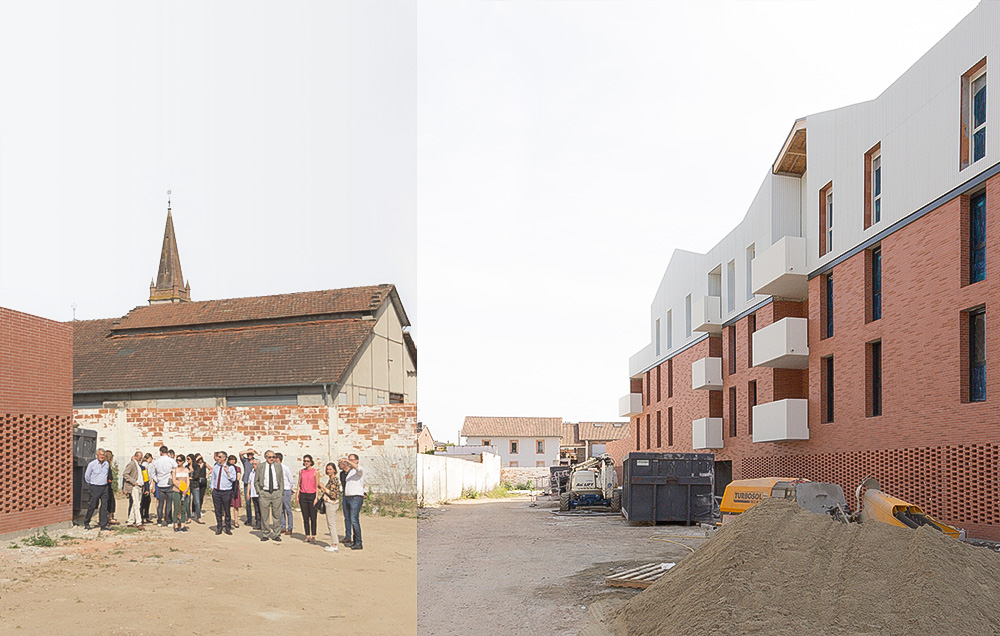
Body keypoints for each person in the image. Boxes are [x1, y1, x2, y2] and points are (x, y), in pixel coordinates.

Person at [254, 449, 284, 542]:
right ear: (265, 457)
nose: (272, 459)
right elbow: (256, 481)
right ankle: (265, 533)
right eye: (270, 457)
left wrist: (280, 492)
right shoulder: (261, 466)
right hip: (265, 493)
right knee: (264, 515)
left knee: (277, 515)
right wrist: (259, 492)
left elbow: (281, 480)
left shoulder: (278, 466)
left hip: (276, 493)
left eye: (273, 457)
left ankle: (276, 534)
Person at [210, 450, 238, 535]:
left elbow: (233, 479)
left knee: (227, 510)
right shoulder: (216, 466)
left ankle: (228, 527)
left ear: (224, 458)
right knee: (218, 510)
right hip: (217, 491)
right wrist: (212, 487)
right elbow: (213, 478)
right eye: (217, 457)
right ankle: (219, 527)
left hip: (226, 491)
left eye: (219, 457)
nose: (217, 458)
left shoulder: (231, 467)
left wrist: (227, 472)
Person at [316, 462, 341, 552]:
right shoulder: (331, 480)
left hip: (332, 504)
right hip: (329, 504)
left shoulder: (334, 480)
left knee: (331, 524)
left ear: (334, 470)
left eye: (330, 469)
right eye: (327, 469)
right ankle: (334, 543)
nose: (328, 471)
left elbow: (333, 494)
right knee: (330, 524)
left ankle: (334, 545)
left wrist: (323, 487)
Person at [83, 448, 111, 531]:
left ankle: (103, 525)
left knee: (104, 506)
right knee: (93, 505)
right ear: (97, 455)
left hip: (104, 487)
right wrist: (91, 485)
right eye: (100, 454)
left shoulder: (106, 464)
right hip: (95, 487)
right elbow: (87, 476)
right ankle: (87, 522)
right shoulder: (92, 464)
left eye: (103, 455)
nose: (102, 456)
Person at [343, 453, 364, 550]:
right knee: (351, 520)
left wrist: (347, 461)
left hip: (355, 497)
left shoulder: (359, 470)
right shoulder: (351, 472)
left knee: (354, 520)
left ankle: (359, 542)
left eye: (352, 460)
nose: (350, 461)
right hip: (348, 497)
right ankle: (355, 541)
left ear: (357, 460)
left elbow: (358, 468)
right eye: (349, 459)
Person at [149, 446, 175, 525]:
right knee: (169, 503)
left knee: (160, 503)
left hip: (160, 484)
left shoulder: (156, 461)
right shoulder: (171, 461)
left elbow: (152, 473)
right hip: (169, 483)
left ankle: (159, 520)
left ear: (160, 452)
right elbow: (176, 470)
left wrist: (157, 480)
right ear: (167, 452)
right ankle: (169, 521)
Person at [296, 455, 319, 543]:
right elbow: (299, 484)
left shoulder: (315, 472)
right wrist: (297, 496)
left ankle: (313, 535)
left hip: (312, 495)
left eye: (308, 461)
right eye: (305, 461)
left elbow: (317, 486)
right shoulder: (301, 471)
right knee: (305, 517)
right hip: (303, 495)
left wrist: (316, 498)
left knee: (313, 517)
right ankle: (307, 535)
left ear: (311, 462)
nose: (306, 463)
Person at [122, 451, 144, 529]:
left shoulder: (138, 465)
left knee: (136, 504)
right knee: (137, 505)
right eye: (139, 456)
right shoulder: (132, 464)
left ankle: (130, 521)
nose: (141, 458)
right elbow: (125, 474)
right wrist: (134, 482)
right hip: (134, 487)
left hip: (140, 487)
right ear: (135, 456)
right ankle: (138, 522)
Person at [171, 454, 191, 532]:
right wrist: (181, 488)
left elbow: (188, 480)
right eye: (177, 460)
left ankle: (182, 524)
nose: (178, 462)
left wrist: (186, 489)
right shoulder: (174, 469)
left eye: (180, 460)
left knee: (183, 507)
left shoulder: (186, 469)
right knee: (176, 507)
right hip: (176, 490)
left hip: (185, 490)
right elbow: (174, 481)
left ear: (183, 461)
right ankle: (175, 524)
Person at [276, 452, 294, 535]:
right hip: (278, 490)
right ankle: (282, 526)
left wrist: (289, 489)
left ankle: (290, 527)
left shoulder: (285, 468)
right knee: (281, 510)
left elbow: (291, 480)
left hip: (286, 489)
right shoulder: (274, 468)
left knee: (288, 509)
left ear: (278, 459)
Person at [239, 448, 258, 527]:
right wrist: (249, 451)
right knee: (248, 502)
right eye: (248, 454)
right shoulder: (245, 461)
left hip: (255, 483)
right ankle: (249, 519)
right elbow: (240, 453)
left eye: (250, 454)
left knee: (256, 502)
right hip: (247, 482)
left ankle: (258, 519)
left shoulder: (256, 461)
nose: (249, 455)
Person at [189, 456, 206, 523]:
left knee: (197, 501)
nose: (187, 460)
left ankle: (198, 517)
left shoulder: (197, 467)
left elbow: (196, 476)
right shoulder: (186, 466)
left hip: (195, 485)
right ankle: (189, 517)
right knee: (188, 502)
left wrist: (190, 476)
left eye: (188, 459)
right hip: (187, 485)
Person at [247, 457, 261, 530]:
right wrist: (248, 493)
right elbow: (249, 483)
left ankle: (262, 524)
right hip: (253, 494)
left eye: (255, 464)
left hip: (260, 494)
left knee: (261, 509)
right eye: (253, 464)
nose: (254, 465)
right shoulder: (251, 472)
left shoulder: (261, 473)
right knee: (256, 509)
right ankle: (257, 523)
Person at [228, 455, 242, 529]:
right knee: (227, 506)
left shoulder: (237, 468)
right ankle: (226, 521)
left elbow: (238, 478)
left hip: (235, 488)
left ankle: (236, 521)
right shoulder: (227, 467)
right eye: (230, 460)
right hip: (228, 488)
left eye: (233, 460)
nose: (232, 461)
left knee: (236, 506)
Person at [104, 449, 117, 525]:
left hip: (108, 486)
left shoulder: (106, 465)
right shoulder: (107, 466)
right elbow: (109, 477)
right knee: (110, 502)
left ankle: (109, 517)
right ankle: (109, 518)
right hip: (107, 486)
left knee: (109, 502)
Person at [339, 458, 350, 545]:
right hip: (345, 495)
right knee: (346, 517)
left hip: (353, 496)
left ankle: (355, 537)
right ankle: (348, 536)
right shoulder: (341, 474)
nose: (338, 465)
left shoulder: (352, 472)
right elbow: (343, 484)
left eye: (340, 463)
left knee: (353, 518)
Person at [141, 453, 153, 524]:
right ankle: (144, 517)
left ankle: (146, 516)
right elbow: (145, 475)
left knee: (147, 501)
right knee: (146, 501)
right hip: (146, 485)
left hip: (147, 484)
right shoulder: (145, 464)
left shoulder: (147, 465)